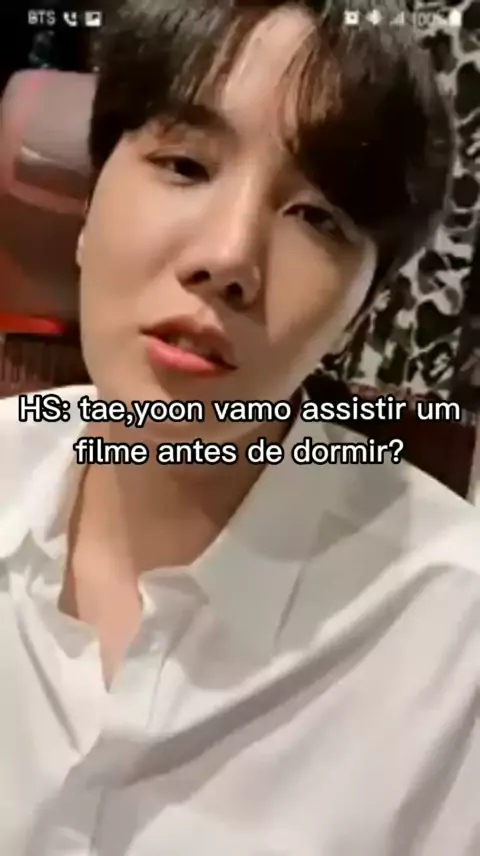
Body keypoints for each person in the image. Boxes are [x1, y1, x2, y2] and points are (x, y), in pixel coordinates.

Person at [0, 0, 478, 853]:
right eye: (185, 164)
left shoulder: (452, 646)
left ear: (357, 315)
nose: (228, 257)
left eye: (318, 217)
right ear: (90, 206)